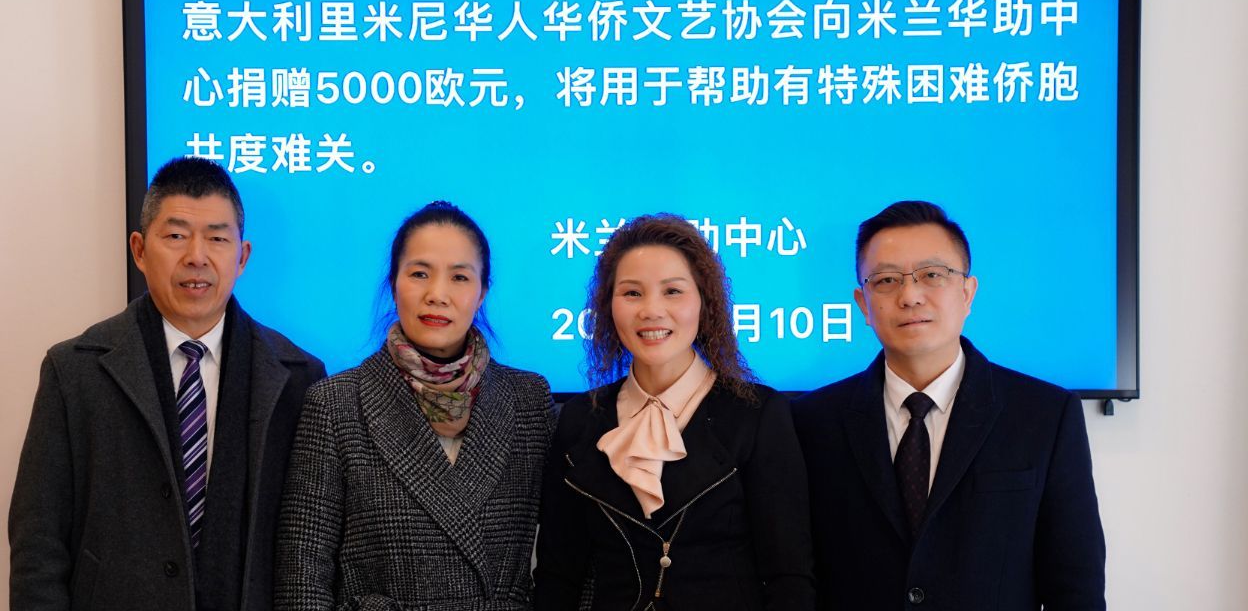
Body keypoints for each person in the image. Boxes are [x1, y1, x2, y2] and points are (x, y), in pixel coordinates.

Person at [8, 156, 325, 611]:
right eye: (176, 236)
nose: (196, 256)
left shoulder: (299, 378)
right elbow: (38, 545)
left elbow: (312, 550)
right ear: (139, 250)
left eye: (217, 238)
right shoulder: (74, 371)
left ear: (242, 256)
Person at [792, 200, 1106, 611]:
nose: (910, 295)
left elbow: (1076, 589)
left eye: (932, 275)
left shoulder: (1045, 416)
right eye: (886, 280)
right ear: (863, 303)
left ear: (967, 292)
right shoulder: (811, 423)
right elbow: (797, 578)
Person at [275, 200, 555, 611]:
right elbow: (303, 578)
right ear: (393, 283)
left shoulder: (528, 400)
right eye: (419, 273)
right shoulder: (335, 404)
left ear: (482, 292)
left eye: (459, 277)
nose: (437, 295)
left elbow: (570, 556)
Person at [535, 213, 813, 611]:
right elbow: (558, 576)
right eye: (632, 293)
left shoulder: (759, 414)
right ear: (608, 305)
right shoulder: (581, 418)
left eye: (673, 291)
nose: (651, 310)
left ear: (704, 301)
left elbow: (790, 578)